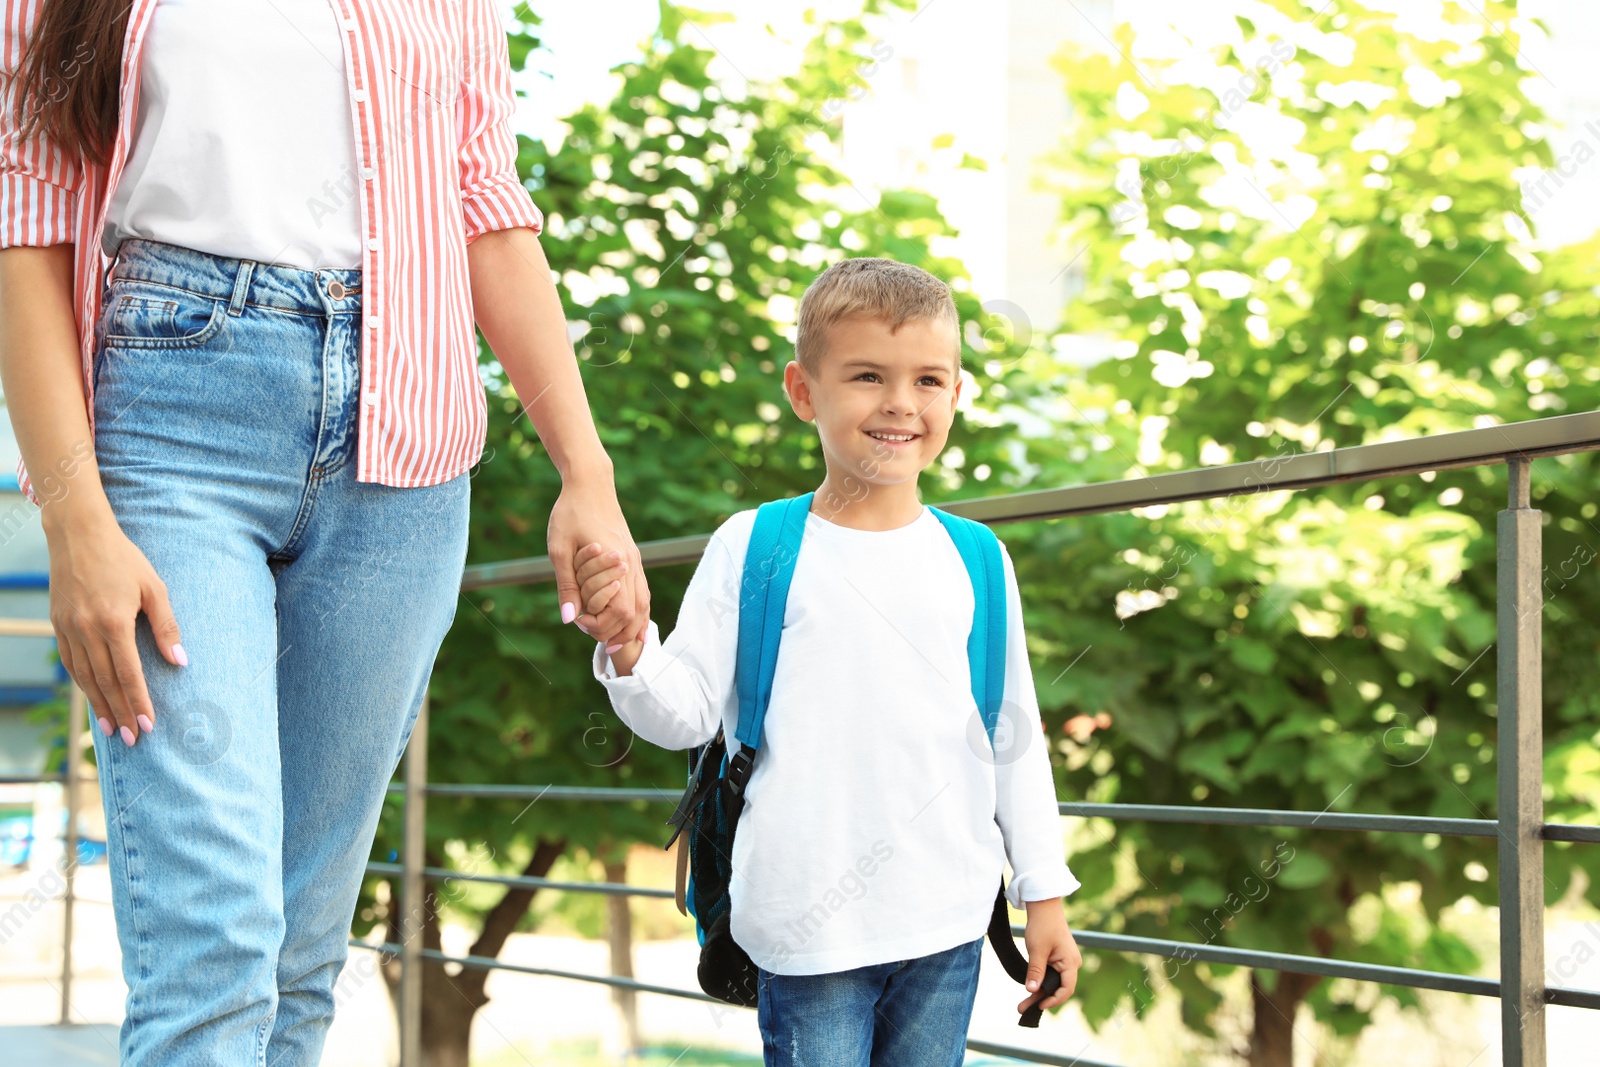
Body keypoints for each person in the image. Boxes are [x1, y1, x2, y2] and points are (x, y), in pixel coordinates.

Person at [0, 1, 649, 1063]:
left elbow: (485, 205)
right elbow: (25, 225)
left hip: (406, 446)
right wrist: (74, 522)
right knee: (213, 939)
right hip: (173, 421)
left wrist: (587, 471)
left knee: (302, 948)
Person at [577, 257, 1083, 1065]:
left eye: (928, 379)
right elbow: (684, 716)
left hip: (947, 922)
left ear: (955, 394)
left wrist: (1044, 893)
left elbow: (1012, 740)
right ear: (804, 391)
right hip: (807, 928)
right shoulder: (755, 544)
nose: (899, 403)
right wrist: (631, 644)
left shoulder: (979, 558)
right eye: (867, 376)